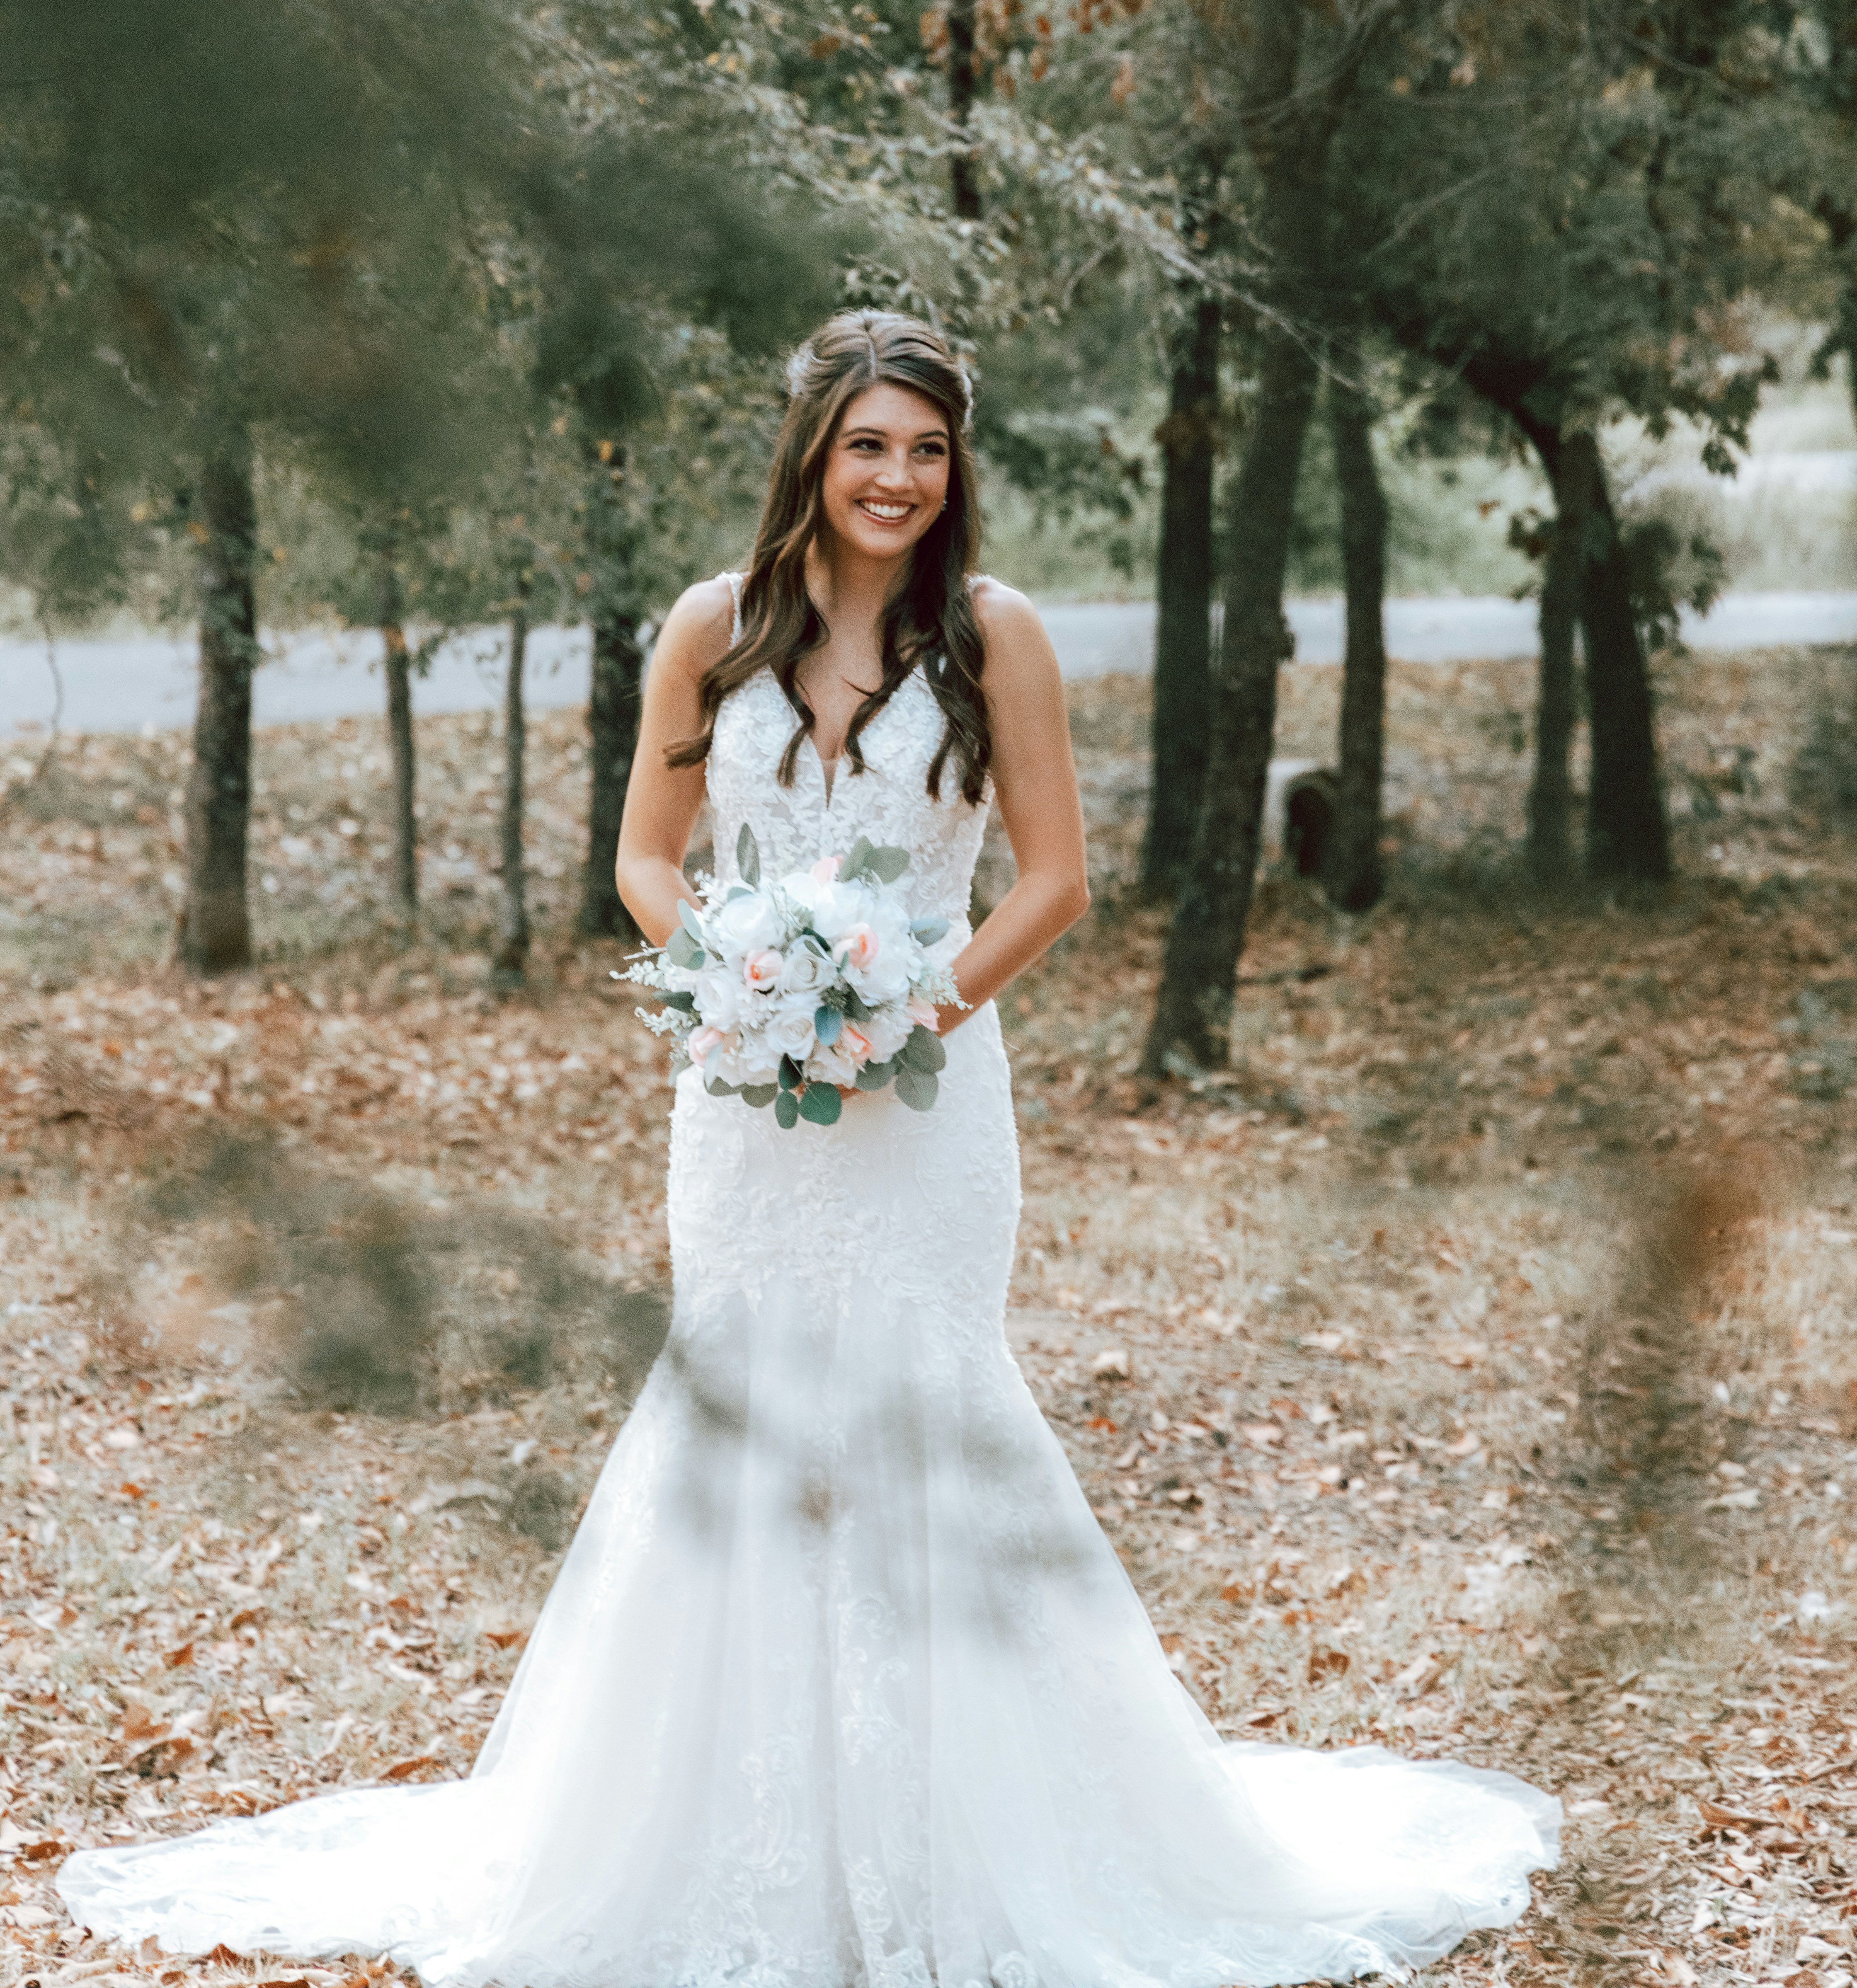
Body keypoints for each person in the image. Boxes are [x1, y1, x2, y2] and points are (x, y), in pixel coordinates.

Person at [60, 310, 1558, 1986]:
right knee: (744, 1402)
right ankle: (730, 1845)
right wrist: (736, 977)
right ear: (812, 456)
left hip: (931, 1102)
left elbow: (1054, 881)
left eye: (926, 450)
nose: (897, 479)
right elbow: (645, 851)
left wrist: (913, 1009)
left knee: (922, 1407)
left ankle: (958, 1849)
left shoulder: (998, 638)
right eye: (868, 446)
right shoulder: (715, 626)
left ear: (954, 468)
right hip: (743, 1090)